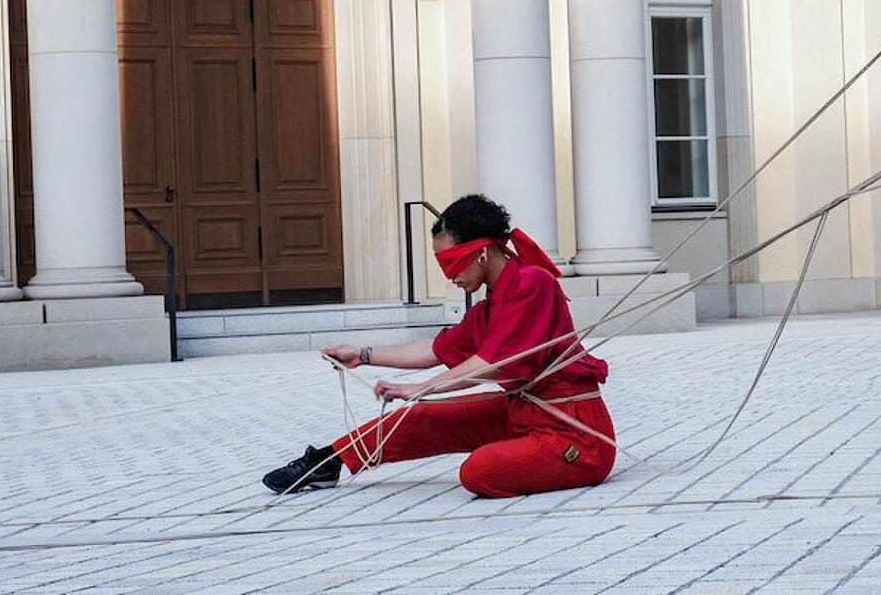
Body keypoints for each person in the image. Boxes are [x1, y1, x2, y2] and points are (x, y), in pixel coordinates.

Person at [261, 194, 615, 498]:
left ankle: (525, 455)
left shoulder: (532, 283)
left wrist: (420, 388)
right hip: (523, 412)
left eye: (452, 263)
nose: (449, 276)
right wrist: (364, 355)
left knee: (478, 472)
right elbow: (436, 349)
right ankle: (329, 461)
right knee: (422, 417)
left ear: (482, 253)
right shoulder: (490, 306)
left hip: (576, 434)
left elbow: (492, 363)